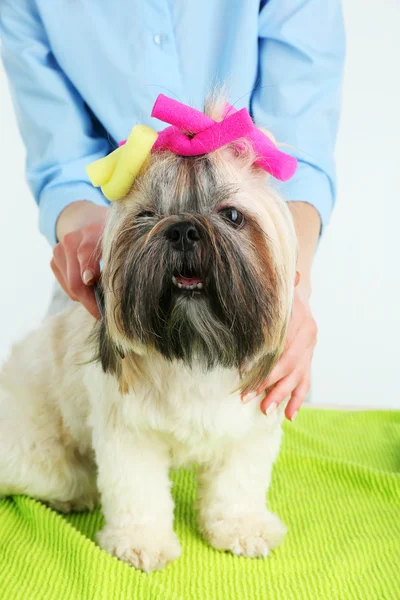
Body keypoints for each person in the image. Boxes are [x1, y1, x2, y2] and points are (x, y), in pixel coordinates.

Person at [0, 0, 345, 421]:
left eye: (229, 216)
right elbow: (61, 160)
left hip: (257, 275)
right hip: (111, 259)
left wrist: (292, 287)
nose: (187, 233)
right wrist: (84, 231)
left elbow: (298, 152)